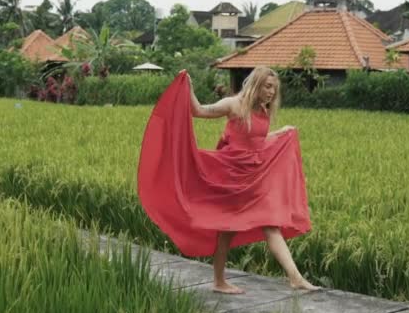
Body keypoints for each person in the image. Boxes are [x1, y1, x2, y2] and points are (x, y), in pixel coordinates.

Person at [137, 66, 320, 295]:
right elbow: (199, 111)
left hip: (252, 178)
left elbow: (256, 140)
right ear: (256, 84)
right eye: (267, 86)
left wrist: (281, 132)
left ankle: (295, 277)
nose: (272, 92)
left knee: (270, 225)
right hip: (229, 176)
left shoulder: (263, 111)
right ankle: (220, 281)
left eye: (274, 88)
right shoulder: (233, 104)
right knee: (227, 230)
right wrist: (189, 86)